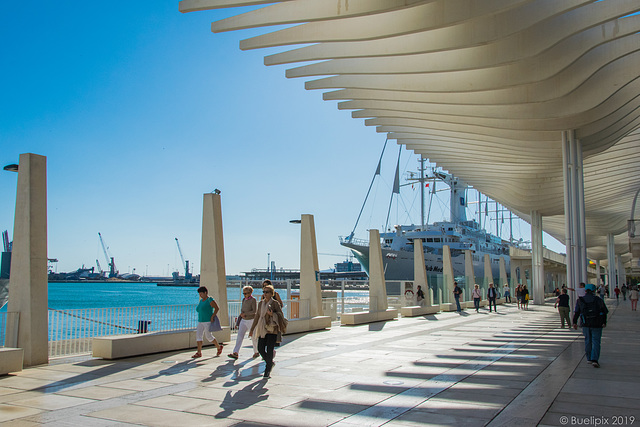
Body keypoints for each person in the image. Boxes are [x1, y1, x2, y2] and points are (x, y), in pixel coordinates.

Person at [249, 284, 287, 378]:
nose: (264, 294)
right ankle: (270, 363)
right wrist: (252, 329)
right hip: (262, 329)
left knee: (269, 349)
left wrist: (272, 314)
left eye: (267, 292)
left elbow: (280, 315)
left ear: (271, 293)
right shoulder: (261, 303)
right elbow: (257, 316)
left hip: (272, 329)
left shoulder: (275, 303)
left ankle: (267, 370)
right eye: (264, 292)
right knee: (260, 348)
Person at [573, 284, 608, 368]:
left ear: (585, 290)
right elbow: (604, 312)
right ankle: (594, 359)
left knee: (587, 340)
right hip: (597, 323)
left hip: (585, 323)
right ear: (594, 291)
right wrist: (604, 322)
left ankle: (588, 358)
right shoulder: (598, 300)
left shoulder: (580, 300)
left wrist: (574, 322)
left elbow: (577, 312)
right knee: (596, 341)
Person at [192, 286, 224, 359]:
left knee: (208, 336)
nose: (200, 295)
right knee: (198, 336)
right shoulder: (201, 301)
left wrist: (213, 316)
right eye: (199, 294)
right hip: (200, 321)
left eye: (201, 294)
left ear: (205, 293)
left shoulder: (210, 299)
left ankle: (218, 347)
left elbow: (216, 308)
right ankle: (199, 352)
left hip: (207, 321)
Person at [228, 286, 258, 360]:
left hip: (251, 320)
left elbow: (254, 311)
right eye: (243, 293)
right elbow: (242, 309)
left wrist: (246, 314)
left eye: (246, 293)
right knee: (239, 336)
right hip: (243, 320)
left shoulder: (253, 300)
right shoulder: (244, 299)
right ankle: (235, 352)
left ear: (250, 293)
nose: (245, 295)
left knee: (253, 336)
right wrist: (241, 315)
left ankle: (256, 351)